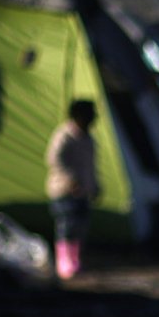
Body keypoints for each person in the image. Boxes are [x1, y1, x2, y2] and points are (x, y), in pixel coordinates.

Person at [45, 100, 99, 280]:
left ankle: (74, 261)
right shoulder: (65, 136)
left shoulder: (88, 139)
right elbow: (54, 159)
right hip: (64, 191)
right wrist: (70, 180)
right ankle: (64, 263)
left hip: (83, 191)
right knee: (66, 226)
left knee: (80, 226)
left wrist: (94, 185)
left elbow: (91, 166)